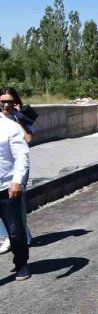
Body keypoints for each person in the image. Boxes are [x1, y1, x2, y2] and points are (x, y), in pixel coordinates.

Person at [0, 87, 35, 253]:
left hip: (18, 167)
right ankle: (7, 236)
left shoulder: (20, 117)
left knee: (17, 201)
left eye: (10, 101)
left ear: (16, 102)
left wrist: (20, 118)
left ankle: (22, 229)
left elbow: (28, 139)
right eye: (3, 101)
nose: (6, 105)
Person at [0, 113, 30, 280]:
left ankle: (21, 263)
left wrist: (17, 181)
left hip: (6, 187)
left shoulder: (9, 126)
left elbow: (21, 156)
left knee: (14, 230)